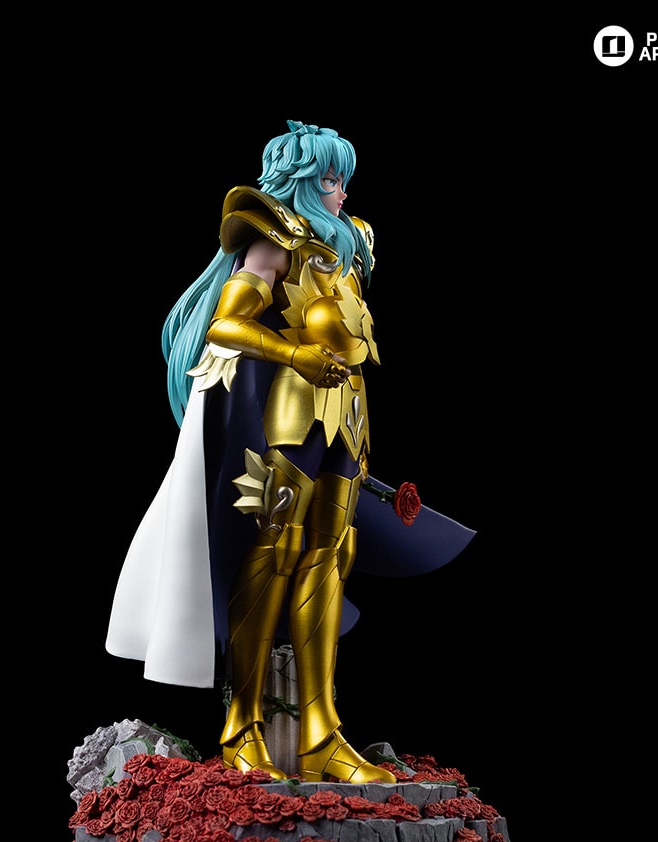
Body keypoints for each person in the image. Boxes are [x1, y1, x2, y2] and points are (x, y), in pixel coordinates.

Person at [106, 120, 473, 783]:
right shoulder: (272, 238)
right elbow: (226, 323)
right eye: (331, 179)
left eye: (344, 180)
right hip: (285, 421)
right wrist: (293, 353)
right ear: (303, 181)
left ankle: (321, 735)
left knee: (331, 557)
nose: (342, 192)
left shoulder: (350, 243)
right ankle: (242, 728)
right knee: (272, 554)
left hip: (348, 418)